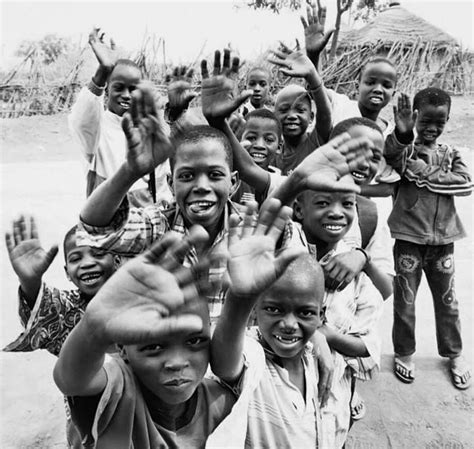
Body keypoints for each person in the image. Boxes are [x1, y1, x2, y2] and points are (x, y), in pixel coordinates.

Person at [53, 227, 240, 448]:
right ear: (122, 348)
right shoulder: (119, 389)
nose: (177, 362)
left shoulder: (221, 403)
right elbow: (72, 381)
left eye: (195, 341)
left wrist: (242, 300)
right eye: (155, 346)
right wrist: (93, 328)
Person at [210, 198, 324, 448]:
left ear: (321, 316)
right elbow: (224, 363)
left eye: (305, 313)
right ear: (255, 312)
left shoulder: (314, 358)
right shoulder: (253, 358)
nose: (289, 324)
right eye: (273, 309)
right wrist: (241, 298)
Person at [385, 89, 473, 390]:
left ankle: (454, 354)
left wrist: (423, 173)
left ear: (448, 120)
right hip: (409, 240)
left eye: (440, 122)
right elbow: (392, 156)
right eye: (426, 121)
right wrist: (403, 132)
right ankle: (404, 352)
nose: (432, 128)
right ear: (415, 117)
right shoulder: (405, 150)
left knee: (447, 301)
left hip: (443, 242)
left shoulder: (452, 153)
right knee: (405, 301)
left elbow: (466, 182)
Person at [291, 179, 383, 448]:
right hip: (286, 398)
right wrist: (312, 333)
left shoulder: (357, 278)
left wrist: (326, 335)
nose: (336, 212)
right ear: (299, 210)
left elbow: (368, 347)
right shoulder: (284, 257)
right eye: (322, 203)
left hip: (335, 401)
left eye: (347, 204)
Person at [301, 2, 399, 199]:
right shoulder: (341, 105)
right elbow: (314, 89)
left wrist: (346, 189)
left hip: (362, 214)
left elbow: (388, 188)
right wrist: (313, 55)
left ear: (394, 93)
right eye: (371, 82)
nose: (378, 89)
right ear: (357, 86)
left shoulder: (389, 133)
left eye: (386, 86)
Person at [68, 27, 172, 207]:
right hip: (106, 223)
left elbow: (161, 186)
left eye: (133, 89)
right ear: (107, 89)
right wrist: (103, 71)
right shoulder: (98, 128)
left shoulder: (149, 129)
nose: (126, 95)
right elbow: (81, 120)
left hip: (146, 224)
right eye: (118, 87)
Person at [3, 216, 120, 356]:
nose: (87, 263)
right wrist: (30, 281)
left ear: (117, 261)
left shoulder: (141, 295)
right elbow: (44, 310)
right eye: (76, 259)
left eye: (98, 254)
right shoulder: (67, 310)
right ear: (67, 273)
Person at [268, 43, 332, 175]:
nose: (291, 115)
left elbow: (325, 114)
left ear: (311, 117)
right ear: (274, 118)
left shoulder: (316, 142)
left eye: (300, 110)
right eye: (284, 110)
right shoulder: (272, 156)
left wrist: (312, 76)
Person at [234, 108, 282, 205]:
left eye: (268, 140)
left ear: (279, 147)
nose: (259, 145)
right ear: (238, 141)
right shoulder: (231, 177)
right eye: (251, 138)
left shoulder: (280, 183)